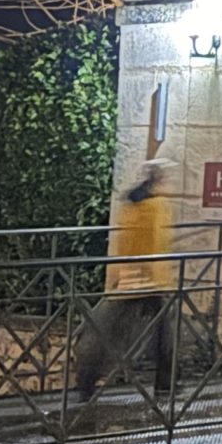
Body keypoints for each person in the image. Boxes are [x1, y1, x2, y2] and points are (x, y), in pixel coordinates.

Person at [74, 158, 176, 403]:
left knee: (107, 332)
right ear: (158, 181)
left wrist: (121, 274)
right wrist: (159, 277)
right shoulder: (158, 207)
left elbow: (124, 242)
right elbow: (158, 244)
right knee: (162, 335)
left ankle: (86, 384)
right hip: (150, 282)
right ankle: (165, 385)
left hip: (128, 279)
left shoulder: (129, 205)